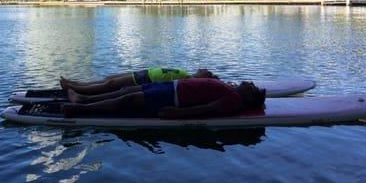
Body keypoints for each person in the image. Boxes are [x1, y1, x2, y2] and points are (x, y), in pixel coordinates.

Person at [61, 78, 266, 119]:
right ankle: (83, 98)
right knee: (125, 91)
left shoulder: (234, 100)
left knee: (128, 101)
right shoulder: (232, 90)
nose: (250, 82)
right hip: (172, 86)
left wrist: (177, 114)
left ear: (249, 95)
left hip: (173, 96)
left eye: (253, 86)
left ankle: (79, 109)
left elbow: (209, 109)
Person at [60, 67, 219, 96]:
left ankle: (76, 89)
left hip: (145, 79)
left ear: (205, 78)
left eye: (208, 73)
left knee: (110, 85)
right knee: (109, 80)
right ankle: (75, 84)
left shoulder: (188, 80)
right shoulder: (188, 75)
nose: (205, 68)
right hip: (145, 73)